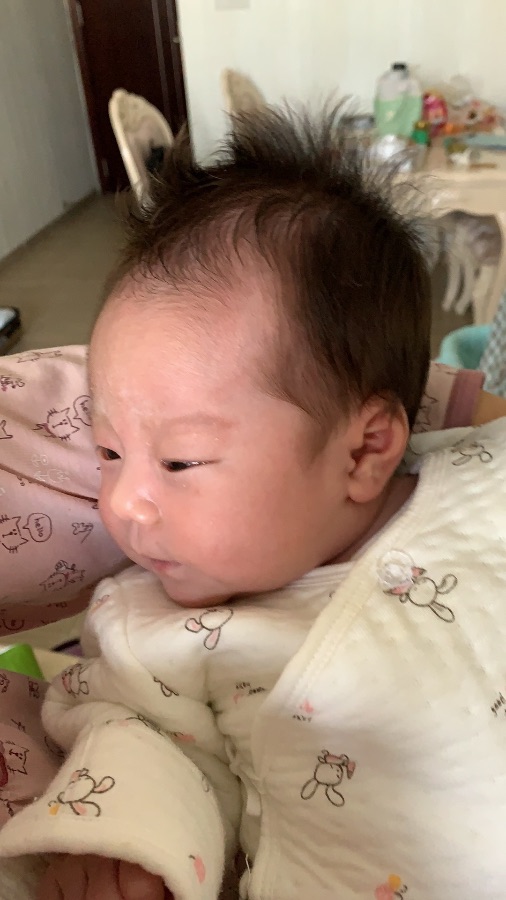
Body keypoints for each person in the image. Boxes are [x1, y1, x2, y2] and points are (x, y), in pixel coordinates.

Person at [1, 106, 506, 900]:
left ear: (365, 451)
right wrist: (121, 848)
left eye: (180, 460)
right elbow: (141, 742)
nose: (125, 503)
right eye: (108, 452)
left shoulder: (482, 474)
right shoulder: (151, 631)